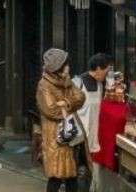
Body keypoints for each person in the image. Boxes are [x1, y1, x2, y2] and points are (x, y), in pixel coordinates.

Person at [37, 48, 86, 192]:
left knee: (71, 174)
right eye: (66, 64)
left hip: (69, 133)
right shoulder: (44, 85)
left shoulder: (66, 81)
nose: (68, 67)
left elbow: (81, 97)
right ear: (58, 67)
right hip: (55, 136)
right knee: (56, 175)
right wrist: (68, 105)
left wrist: (65, 103)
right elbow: (51, 110)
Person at [74, 53, 113, 191]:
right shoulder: (77, 83)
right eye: (105, 70)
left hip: (94, 137)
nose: (107, 73)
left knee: (90, 172)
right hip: (79, 138)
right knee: (80, 171)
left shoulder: (100, 85)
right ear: (98, 68)